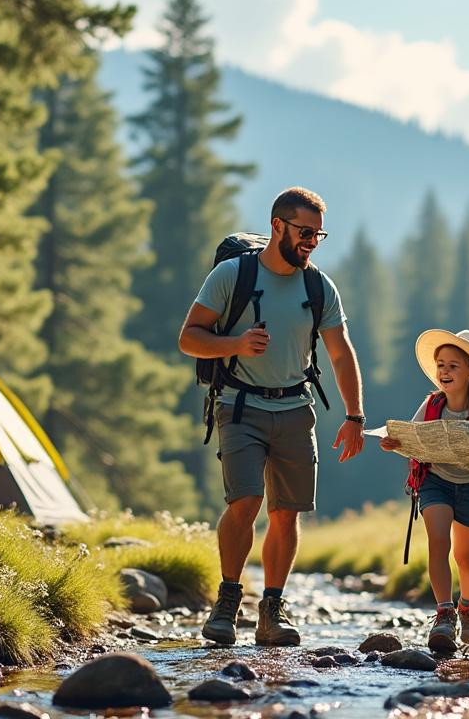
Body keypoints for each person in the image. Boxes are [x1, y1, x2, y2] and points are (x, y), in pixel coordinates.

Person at [178, 186, 366, 647]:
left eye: (319, 235)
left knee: (287, 513)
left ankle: (271, 611)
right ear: (277, 225)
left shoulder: (318, 286)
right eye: (305, 232)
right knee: (245, 503)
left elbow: (341, 354)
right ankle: (227, 601)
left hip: (296, 409)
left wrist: (355, 415)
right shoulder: (231, 275)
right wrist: (235, 345)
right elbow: (189, 337)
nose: (312, 242)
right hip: (240, 405)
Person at [381, 329, 469, 652]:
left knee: (465, 556)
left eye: (453, 366)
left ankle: (468, 605)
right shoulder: (430, 405)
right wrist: (393, 442)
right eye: (441, 365)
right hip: (434, 481)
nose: (444, 371)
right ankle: (444, 612)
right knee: (438, 542)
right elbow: (412, 437)